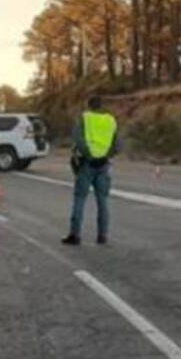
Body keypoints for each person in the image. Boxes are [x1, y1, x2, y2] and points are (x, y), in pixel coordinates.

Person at [62, 95, 119, 246]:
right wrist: (106, 156)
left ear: (89, 105)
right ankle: (102, 236)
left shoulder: (84, 118)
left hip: (87, 164)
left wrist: (89, 155)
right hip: (103, 165)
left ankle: (75, 235)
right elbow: (118, 144)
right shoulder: (111, 120)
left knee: (80, 199)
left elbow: (78, 140)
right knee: (103, 201)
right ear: (102, 105)